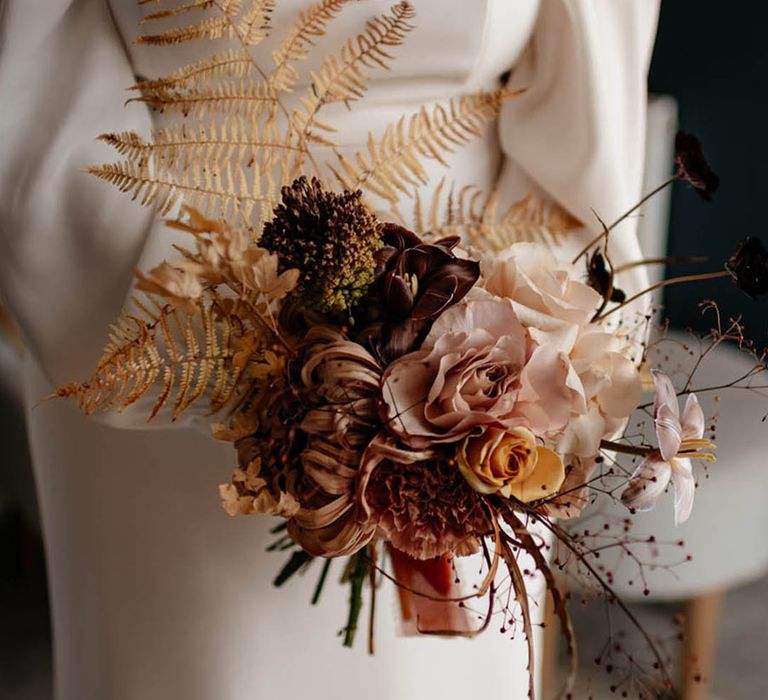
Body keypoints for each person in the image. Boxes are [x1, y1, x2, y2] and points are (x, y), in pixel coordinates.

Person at [0, 1, 659, 698]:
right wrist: (261, 372)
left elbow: (587, 108)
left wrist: (507, 355)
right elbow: (36, 86)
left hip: (488, 342)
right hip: (157, 298)